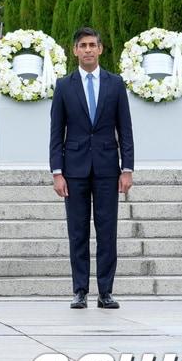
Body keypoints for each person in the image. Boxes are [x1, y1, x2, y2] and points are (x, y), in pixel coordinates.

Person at [48, 27, 134, 309]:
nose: (87, 50)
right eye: (82, 45)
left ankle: (106, 291)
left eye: (92, 45)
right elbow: (56, 131)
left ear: (100, 49)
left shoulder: (115, 84)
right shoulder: (64, 86)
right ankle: (80, 290)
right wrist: (57, 172)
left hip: (108, 169)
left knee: (107, 231)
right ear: (74, 50)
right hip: (74, 170)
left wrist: (127, 168)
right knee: (78, 231)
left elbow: (126, 129)